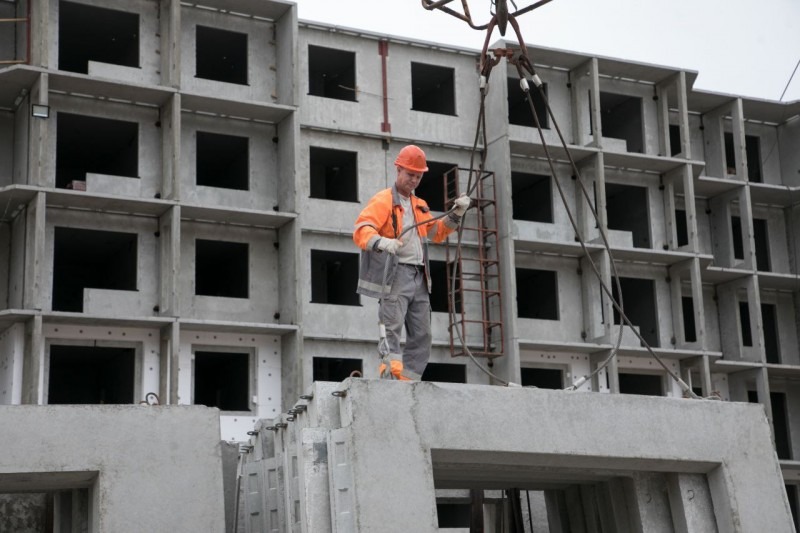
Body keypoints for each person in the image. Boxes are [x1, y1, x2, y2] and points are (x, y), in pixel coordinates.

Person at [353, 145, 470, 380]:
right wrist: (381, 242)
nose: (414, 180)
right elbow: (361, 228)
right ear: (398, 170)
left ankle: (409, 382)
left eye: (418, 176)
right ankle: (391, 377)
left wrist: (456, 214)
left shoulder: (419, 205)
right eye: (410, 175)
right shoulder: (383, 200)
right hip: (396, 274)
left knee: (422, 334)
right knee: (391, 327)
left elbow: (436, 232)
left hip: (419, 277)